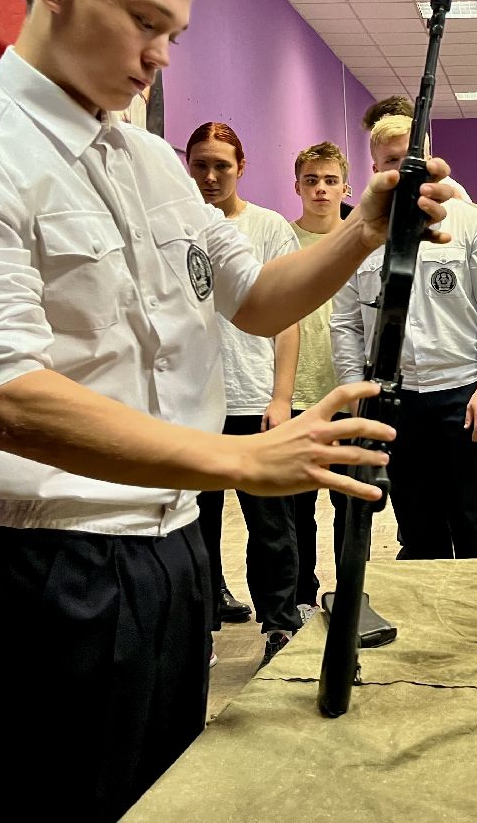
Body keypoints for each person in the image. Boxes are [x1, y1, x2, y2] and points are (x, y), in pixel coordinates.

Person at [0, 0, 452, 820]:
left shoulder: (148, 164)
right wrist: (244, 460)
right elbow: (7, 400)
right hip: (48, 568)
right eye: (145, 24)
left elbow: (255, 302)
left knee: (159, 800)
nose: (159, 58)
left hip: (169, 555)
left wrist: (366, 230)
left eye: (173, 34)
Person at [331, 115, 477, 561]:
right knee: (416, 522)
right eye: (391, 161)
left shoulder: (469, 223)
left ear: (430, 160)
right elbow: (345, 325)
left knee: (476, 518)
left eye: (412, 158)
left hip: (462, 396)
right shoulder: (358, 236)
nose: (404, 170)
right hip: (394, 400)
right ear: (376, 169)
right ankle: (433, 624)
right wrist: (360, 396)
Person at [188, 121, 303, 667]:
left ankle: (279, 625)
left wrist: (280, 398)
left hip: (254, 402)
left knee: (271, 528)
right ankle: (200, 630)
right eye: (201, 165)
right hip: (195, 407)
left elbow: (287, 319)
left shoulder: (269, 227)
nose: (210, 176)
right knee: (196, 529)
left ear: (242, 168)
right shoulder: (175, 224)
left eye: (222, 166)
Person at [289, 141, 352, 609]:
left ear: (345, 187)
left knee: (349, 508)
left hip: (349, 396)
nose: (321, 190)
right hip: (298, 394)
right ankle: (301, 598)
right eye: (312, 180)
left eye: (330, 181)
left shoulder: (363, 238)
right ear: (297, 186)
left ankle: (350, 592)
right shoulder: (283, 240)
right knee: (297, 510)